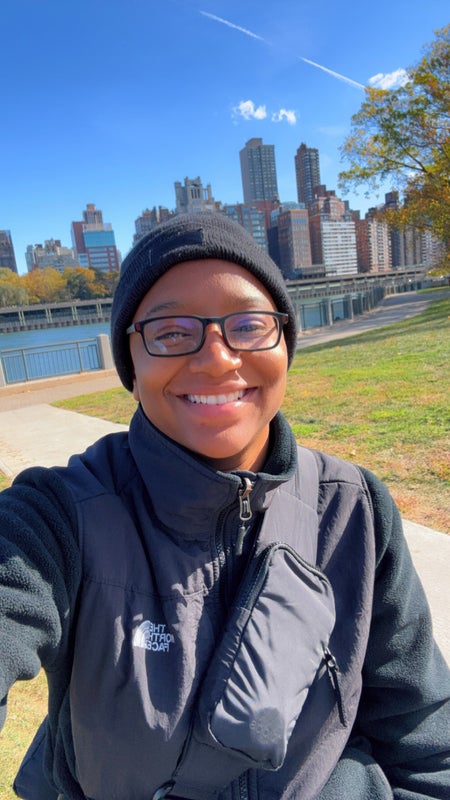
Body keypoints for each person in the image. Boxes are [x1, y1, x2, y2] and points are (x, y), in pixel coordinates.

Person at [1, 212, 449, 800]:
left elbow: (423, 738)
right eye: (170, 332)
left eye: (249, 324)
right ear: (130, 364)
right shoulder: (57, 514)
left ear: (284, 343)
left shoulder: (354, 511)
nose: (217, 358)